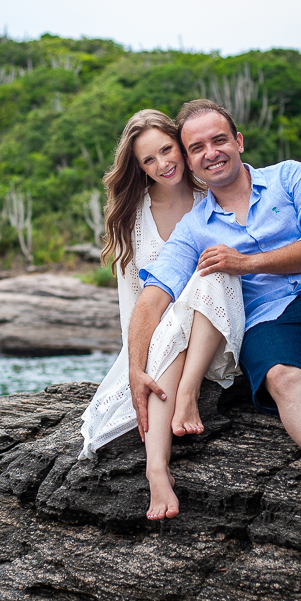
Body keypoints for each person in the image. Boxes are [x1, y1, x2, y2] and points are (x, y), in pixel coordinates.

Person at [128, 99, 301, 555]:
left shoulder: (290, 176)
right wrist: (135, 369)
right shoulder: (194, 227)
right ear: (189, 160)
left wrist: (246, 262)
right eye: (196, 147)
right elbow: (153, 295)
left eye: (219, 140)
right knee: (282, 377)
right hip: (269, 322)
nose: (211, 152)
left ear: (238, 141)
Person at [78, 109, 247, 522]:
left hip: (215, 334)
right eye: (148, 160)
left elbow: (257, 248)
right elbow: (134, 303)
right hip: (162, 342)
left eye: (167, 150)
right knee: (172, 323)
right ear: (138, 168)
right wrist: (135, 364)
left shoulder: (215, 197)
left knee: (211, 275)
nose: (162, 164)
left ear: (182, 145)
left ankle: (185, 400)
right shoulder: (132, 217)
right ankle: (157, 469)